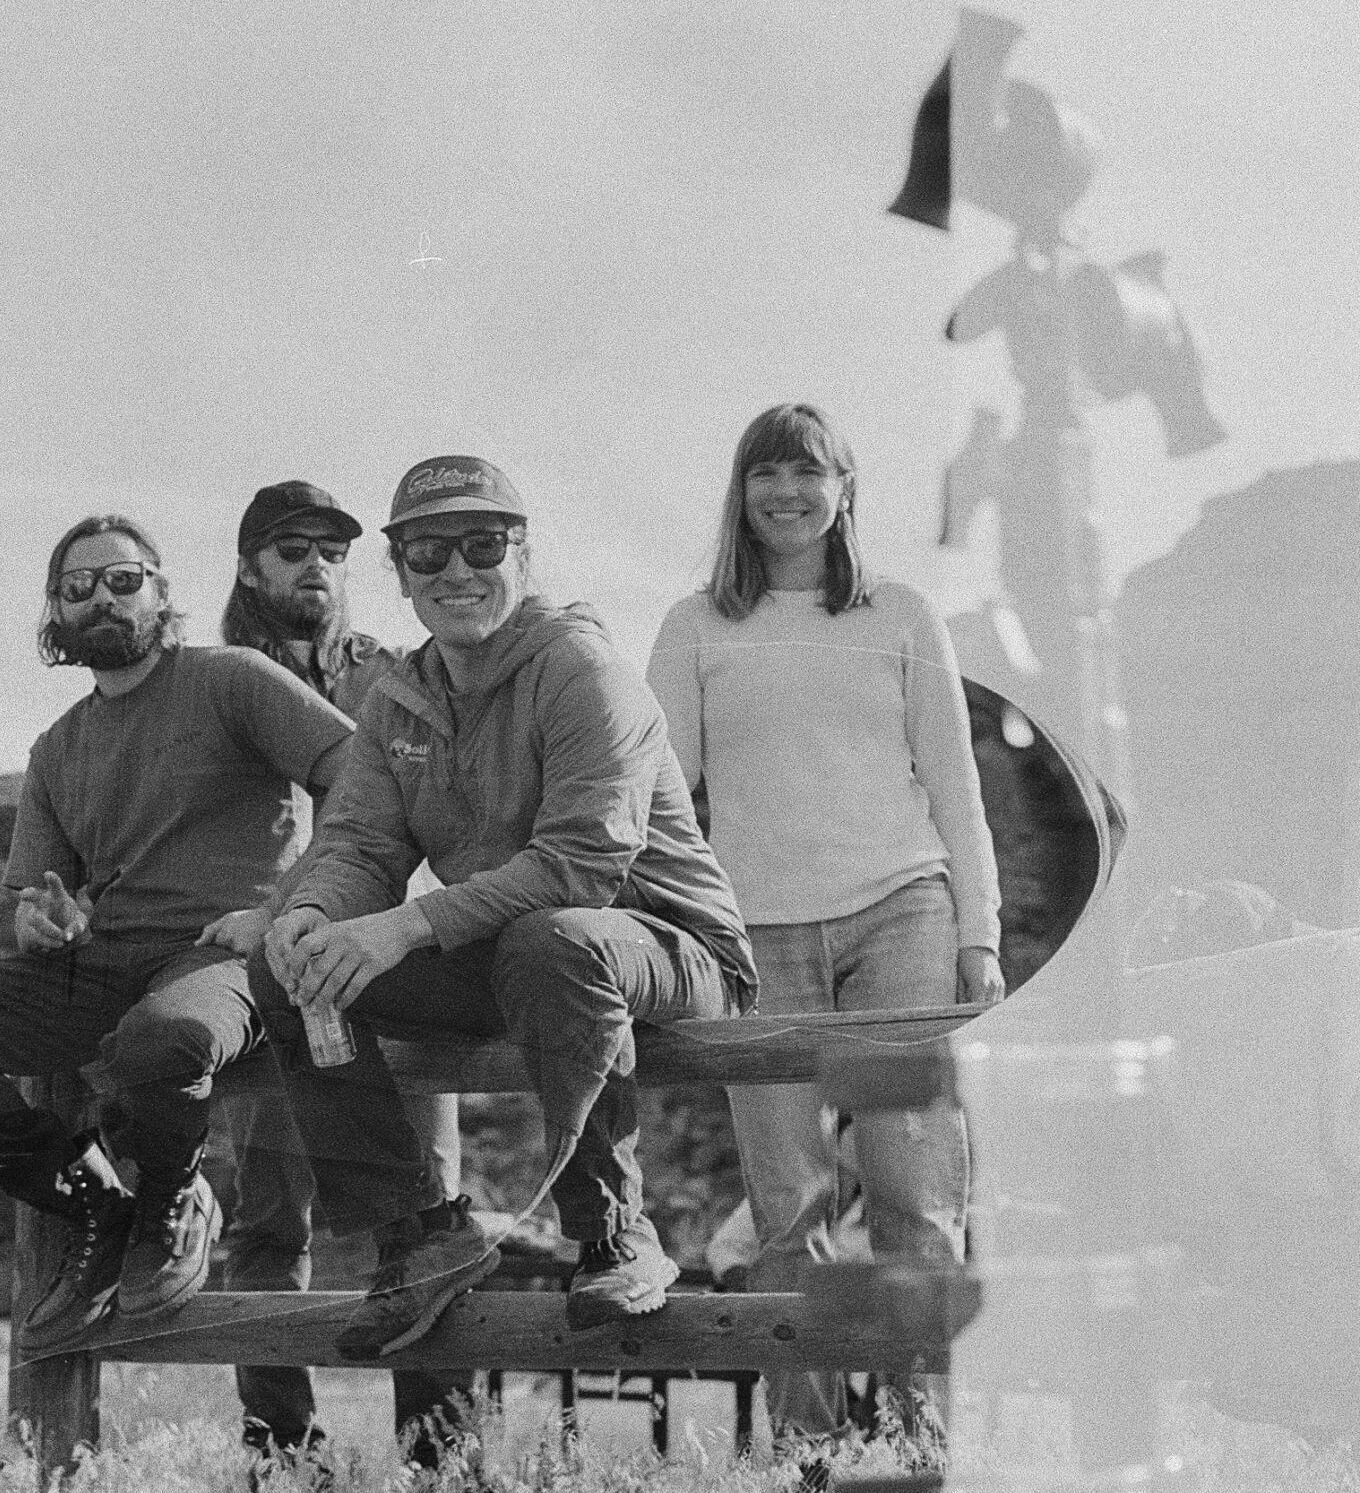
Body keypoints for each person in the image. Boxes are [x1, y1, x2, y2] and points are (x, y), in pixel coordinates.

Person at [248, 455, 755, 1359]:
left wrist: (406, 924)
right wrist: (313, 914)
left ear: (523, 556)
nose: (457, 570)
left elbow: (580, 867)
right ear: (400, 573)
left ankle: (615, 1231)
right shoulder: (398, 700)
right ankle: (419, 1234)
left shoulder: (583, 670)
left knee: (552, 940)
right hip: (517, 949)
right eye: (428, 551)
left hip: (670, 947)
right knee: (288, 971)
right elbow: (360, 845)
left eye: (482, 544)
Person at [0, 514, 355, 1352]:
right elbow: (37, 901)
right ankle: (93, 1201)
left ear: (161, 590)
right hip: (104, 959)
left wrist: (289, 906)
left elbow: (357, 775)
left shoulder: (232, 679)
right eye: (79, 586)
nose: (103, 598)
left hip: (221, 953)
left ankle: (174, 1199)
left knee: (165, 1037)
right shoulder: (56, 748)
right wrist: (43, 921)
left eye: (123, 579)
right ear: (57, 609)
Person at [647, 402, 1004, 1448]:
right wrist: (683, 928)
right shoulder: (695, 624)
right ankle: (806, 1449)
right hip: (758, 937)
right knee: (786, 1204)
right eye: (766, 472)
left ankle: (916, 1441)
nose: (787, 492)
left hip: (901, 915)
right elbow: (661, 798)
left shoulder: (901, 613)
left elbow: (956, 783)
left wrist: (978, 933)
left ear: (844, 490)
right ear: (740, 491)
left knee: (913, 1195)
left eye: (809, 472)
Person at [206, 480, 476, 1474]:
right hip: (275, 977)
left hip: (390, 967)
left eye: (332, 548)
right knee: (270, 1217)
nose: (315, 563)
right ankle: (283, 1452)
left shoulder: (398, 676)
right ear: (249, 567)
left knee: (429, 1208)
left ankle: (439, 1458)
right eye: (291, 547)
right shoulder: (219, 684)